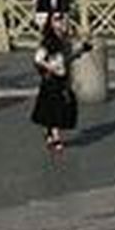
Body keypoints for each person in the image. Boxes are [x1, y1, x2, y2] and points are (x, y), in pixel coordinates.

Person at [31, 15, 86, 153]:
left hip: (63, 77)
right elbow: (38, 58)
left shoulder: (64, 40)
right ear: (51, 24)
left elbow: (65, 59)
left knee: (60, 105)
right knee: (55, 106)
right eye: (57, 20)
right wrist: (51, 68)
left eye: (62, 20)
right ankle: (55, 136)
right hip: (52, 78)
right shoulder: (49, 41)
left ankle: (49, 132)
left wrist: (81, 51)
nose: (62, 23)